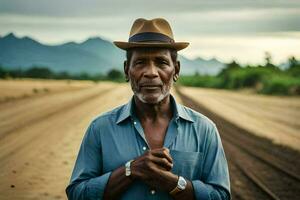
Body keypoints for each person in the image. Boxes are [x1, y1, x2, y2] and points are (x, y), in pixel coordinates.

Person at [66, 18, 231, 200]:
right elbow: (77, 194)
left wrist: (171, 182)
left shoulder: (204, 129)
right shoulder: (100, 128)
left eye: (161, 62)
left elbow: (221, 196)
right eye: (140, 63)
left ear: (175, 70)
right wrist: (131, 169)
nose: (151, 72)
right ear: (126, 70)